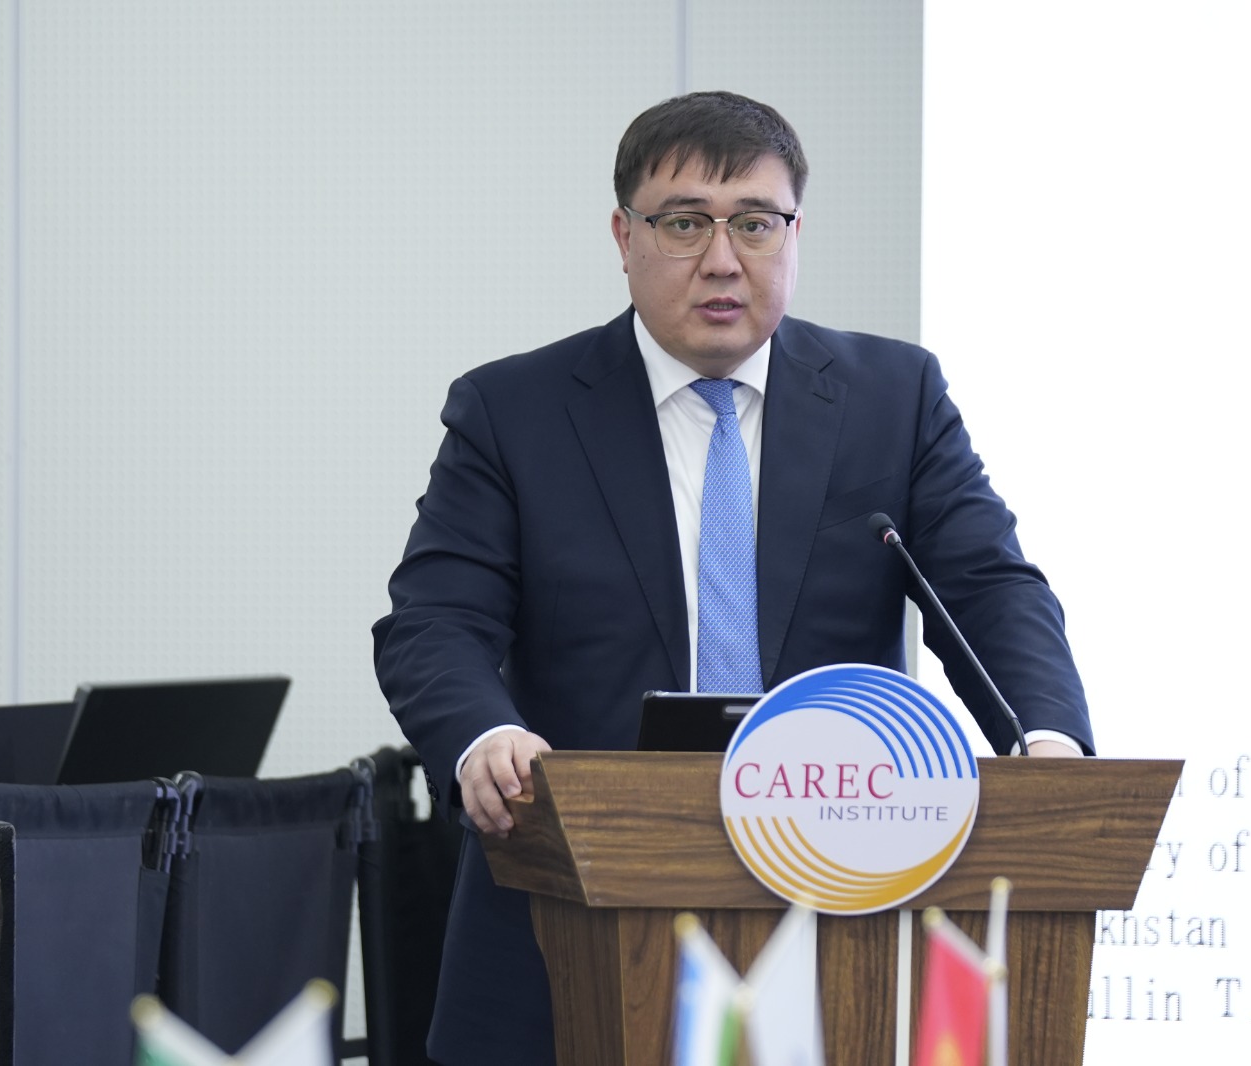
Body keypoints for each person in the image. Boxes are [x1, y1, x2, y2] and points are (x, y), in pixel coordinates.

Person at [372, 90, 1092, 1065]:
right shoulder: (515, 410)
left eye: (754, 223)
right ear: (624, 236)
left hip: (841, 914)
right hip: (568, 922)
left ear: (795, 233)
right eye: (684, 223)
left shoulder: (893, 397)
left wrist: (1045, 738)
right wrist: (485, 737)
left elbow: (989, 588)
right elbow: (434, 621)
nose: (722, 259)